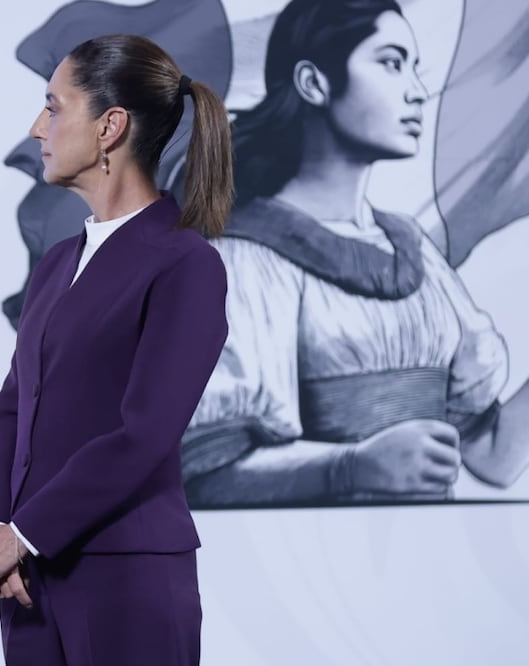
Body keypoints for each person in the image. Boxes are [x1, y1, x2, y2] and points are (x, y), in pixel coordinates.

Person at [182, 0, 529, 507]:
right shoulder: (243, 256)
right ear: (313, 83)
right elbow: (209, 472)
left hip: (436, 563)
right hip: (314, 568)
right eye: (391, 63)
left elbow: (493, 457)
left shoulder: (414, 252)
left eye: (416, 68)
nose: (417, 91)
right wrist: (353, 466)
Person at [0, 34, 233, 665]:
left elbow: (144, 433)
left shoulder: (186, 263)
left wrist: (23, 534)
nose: (37, 128)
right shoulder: (57, 262)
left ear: (111, 126)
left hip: (126, 578)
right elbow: (11, 414)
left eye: (53, 107)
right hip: (27, 583)